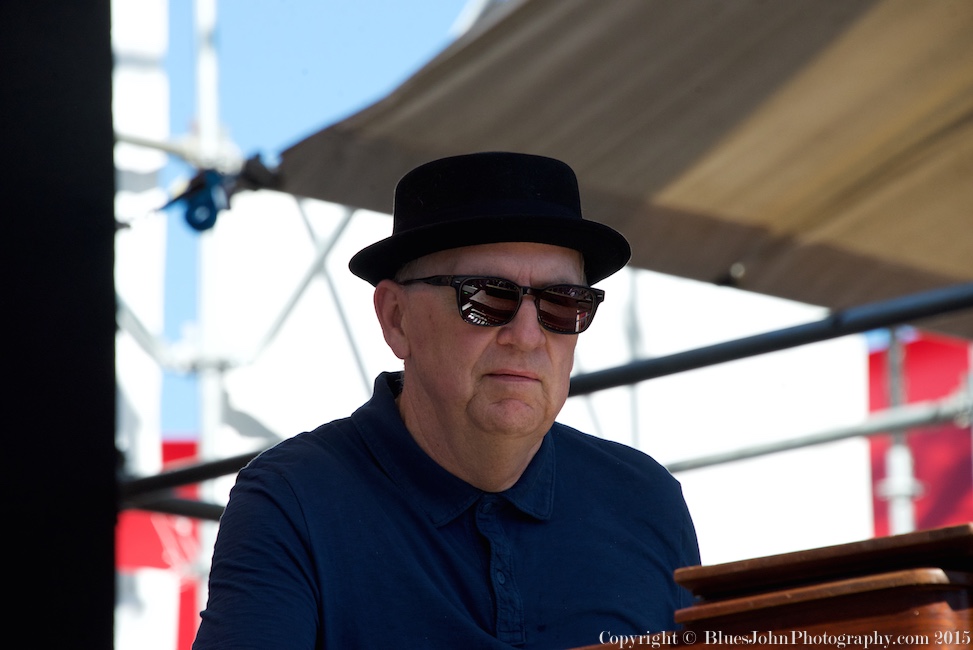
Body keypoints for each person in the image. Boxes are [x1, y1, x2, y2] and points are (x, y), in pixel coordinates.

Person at [193, 152, 699, 649]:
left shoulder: (646, 500)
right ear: (396, 319)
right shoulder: (294, 500)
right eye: (486, 296)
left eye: (564, 303)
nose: (527, 336)